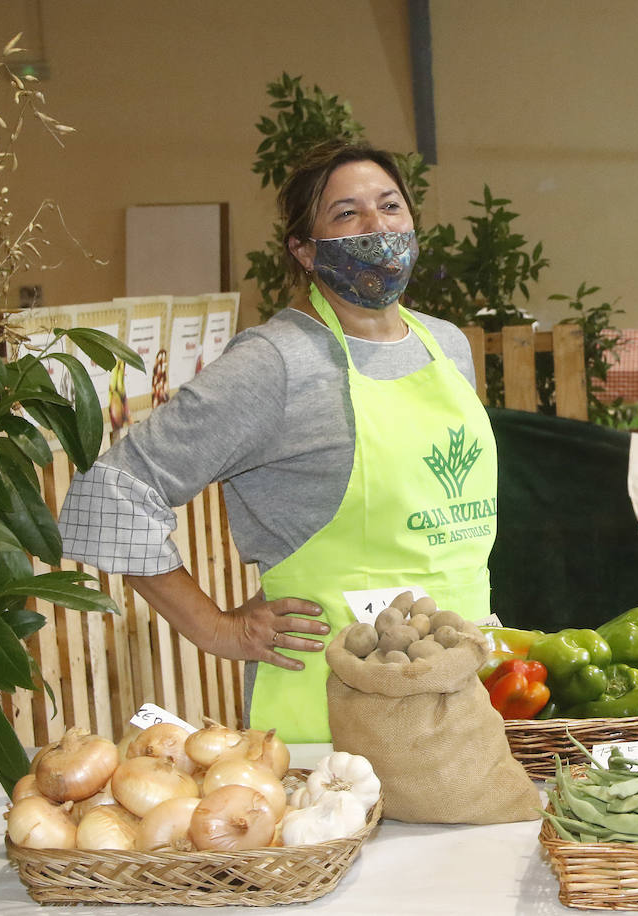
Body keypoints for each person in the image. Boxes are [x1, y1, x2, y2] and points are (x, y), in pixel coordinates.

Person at [58, 140, 493, 743]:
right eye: (347, 214)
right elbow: (109, 495)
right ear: (305, 250)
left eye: (390, 206)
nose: (377, 226)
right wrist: (217, 629)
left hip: (459, 698)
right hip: (334, 714)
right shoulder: (276, 364)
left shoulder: (446, 347)